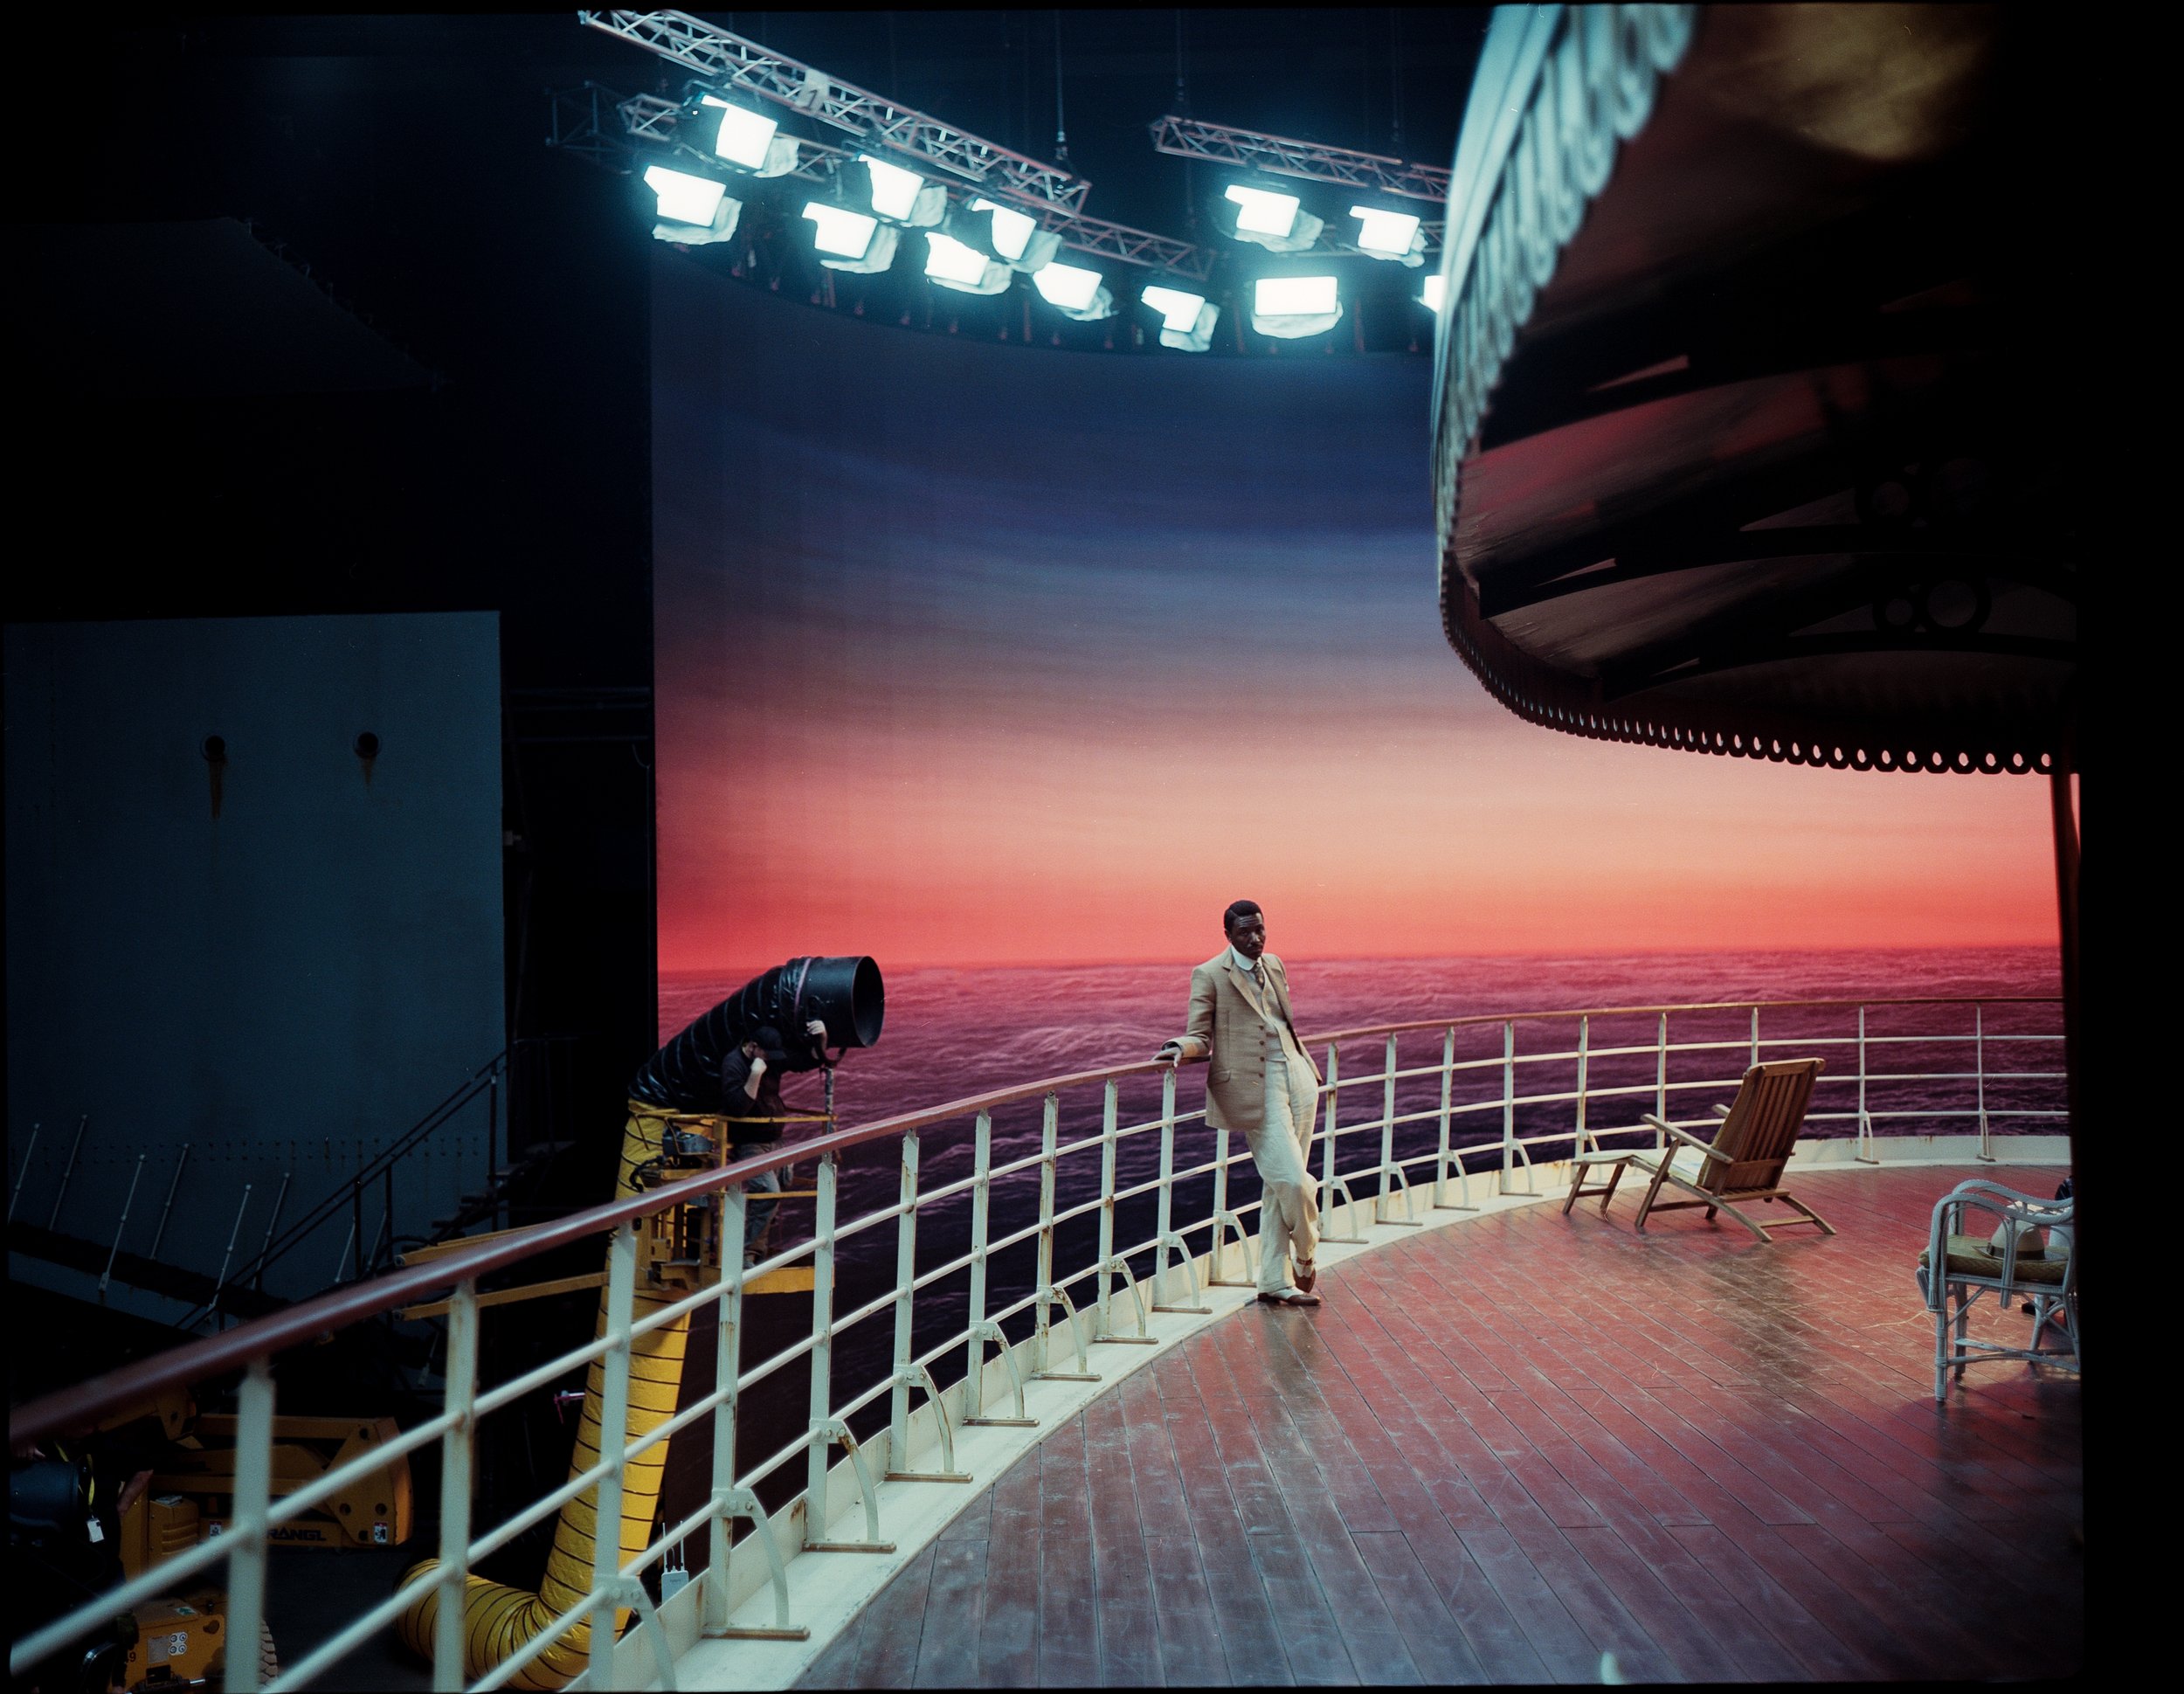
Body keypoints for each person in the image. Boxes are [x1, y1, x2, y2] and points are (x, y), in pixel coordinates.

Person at [1156, 900, 1324, 1307]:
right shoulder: (1210, 974)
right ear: (1228, 935)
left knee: (1278, 1188)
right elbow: (1201, 1033)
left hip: (1298, 1077)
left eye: (1260, 930)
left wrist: (1300, 1067)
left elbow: (1284, 1023)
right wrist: (1180, 1047)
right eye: (1245, 933)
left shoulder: (1276, 965)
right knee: (1292, 1180)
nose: (1255, 939)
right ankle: (1306, 1251)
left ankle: (1271, 1281)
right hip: (1255, 1089)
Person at [719, 1022, 824, 1265]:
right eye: (767, 1054)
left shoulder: (768, 1057)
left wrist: (822, 1039)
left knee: (780, 1185)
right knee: (768, 1191)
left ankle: (757, 1248)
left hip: (774, 1140)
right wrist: (755, 1075)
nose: (771, 1060)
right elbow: (739, 1107)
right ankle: (747, 1253)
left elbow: (807, 1061)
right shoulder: (733, 1064)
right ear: (753, 1047)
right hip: (750, 1143)